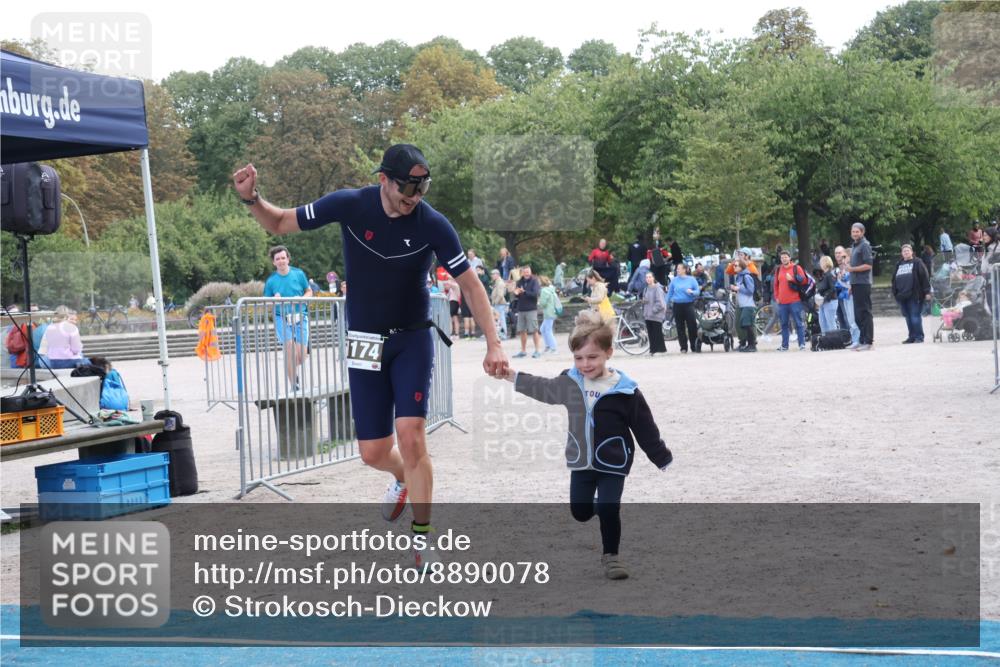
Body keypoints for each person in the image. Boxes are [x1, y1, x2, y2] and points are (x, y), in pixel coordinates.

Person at [233, 144, 507, 570]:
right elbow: (281, 222)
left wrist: (494, 343)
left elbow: (471, 285)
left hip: (411, 338)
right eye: (406, 187)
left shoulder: (433, 223)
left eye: (422, 187)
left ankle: (422, 538)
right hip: (364, 339)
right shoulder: (350, 204)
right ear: (384, 179)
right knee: (373, 452)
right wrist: (252, 199)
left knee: (412, 434)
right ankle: (400, 478)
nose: (414, 196)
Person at [499, 310, 672, 579]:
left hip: (614, 460)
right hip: (581, 460)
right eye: (578, 358)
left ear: (609, 353)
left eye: (592, 357)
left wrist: (661, 456)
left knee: (608, 507)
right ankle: (599, 507)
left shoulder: (625, 390)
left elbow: (644, 427)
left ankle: (611, 557)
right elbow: (543, 387)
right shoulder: (570, 382)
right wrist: (513, 376)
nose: (585, 364)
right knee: (580, 511)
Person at [263, 245, 313, 386]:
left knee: (301, 357)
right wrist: (274, 299)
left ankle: (290, 365)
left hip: (300, 316)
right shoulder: (271, 280)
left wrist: (303, 298)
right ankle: (294, 385)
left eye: (283, 258)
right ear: (274, 262)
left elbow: (309, 291)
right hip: (281, 318)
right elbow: (266, 302)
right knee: (289, 347)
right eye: (277, 259)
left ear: (288, 259)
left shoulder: (298, 274)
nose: (281, 261)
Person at [891, 244, 931, 344]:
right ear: (902, 253)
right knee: (908, 317)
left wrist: (927, 291)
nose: (906, 252)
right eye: (904, 251)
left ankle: (919, 337)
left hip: (914, 295)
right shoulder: (899, 264)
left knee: (915, 316)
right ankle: (912, 337)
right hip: (901, 295)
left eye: (908, 251)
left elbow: (924, 277)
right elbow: (894, 279)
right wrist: (895, 292)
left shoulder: (917, 262)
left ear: (912, 252)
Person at [771, 250, 808, 351]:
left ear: (790, 258)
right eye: (782, 257)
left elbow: (804, 280)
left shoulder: (796, 268)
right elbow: (775, 285)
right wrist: (777, 297)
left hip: (795, 300)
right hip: (782, 302)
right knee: (784, 324)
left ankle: (802, 344)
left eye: (786, 257)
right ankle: (784, 345)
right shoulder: (778, 270)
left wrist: (792, 278)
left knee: (798, 322)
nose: (784, 259)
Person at [846, 223, 875, 351]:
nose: (855, 234)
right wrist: (851, 285)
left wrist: (852, 269)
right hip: (856, 284)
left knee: (865, 313)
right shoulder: (854, 245)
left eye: (857, 231)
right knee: (858, 315)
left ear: (862, 232)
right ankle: (862, 340)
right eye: (853, 231)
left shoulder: (865, 245)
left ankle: (868, 342)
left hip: (863, 283)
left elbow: (869, 265)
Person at [665, 263, 699, 353]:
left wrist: (692, 292)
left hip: (688, 305)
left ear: (684, 270)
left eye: (679, 268)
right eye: (677, 268)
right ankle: (683, 347)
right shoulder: (674, 281)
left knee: (692, 326)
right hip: (677, 305)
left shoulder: (691, 279)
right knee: (680, 327)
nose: (677, 270)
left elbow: (697, 291)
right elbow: (669, 293)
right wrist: (665, 304)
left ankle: (694, 346)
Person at [513, 265, 542, 359]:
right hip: (521, 309)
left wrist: (524, 292)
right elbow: (517, 295)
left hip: (531, 309)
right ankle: (523, 351)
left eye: (528, 271)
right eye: (525, 272)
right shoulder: (519, 282)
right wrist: (516, 293)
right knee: (522, 330)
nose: (527, 273)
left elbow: (535, 294)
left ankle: (537, 350)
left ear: (530, 272)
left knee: (534, 330)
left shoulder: (534, 281)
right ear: (522, 272)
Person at [834, 246, 861, 346]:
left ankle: (857, 339)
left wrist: (847, 284)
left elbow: (853, 282)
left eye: (845, 257)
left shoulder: (853, 268)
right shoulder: (844, 269)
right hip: (845, 296)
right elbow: (842, 284)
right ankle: (854, 340)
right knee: (849, 319)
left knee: (853, 319)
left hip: (852, 296)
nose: (843, 259)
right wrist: (840, 279)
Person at [729, 258, 758, 352]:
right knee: (742, 324)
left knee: (747, 324)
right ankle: (748, 344)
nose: (734, 267)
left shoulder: (746, 276)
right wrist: (734, 289)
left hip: (748, 304)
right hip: (742, 304)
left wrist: (738, 288)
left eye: (736, 265)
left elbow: (750, 291)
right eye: (734, 265)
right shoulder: (739, 276)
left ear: (741, 266)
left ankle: (752, 345)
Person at [642, 271, 667, 355]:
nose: (648, 279)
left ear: (653, 278)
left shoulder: (658, 288)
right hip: (648, 315)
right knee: (650, 333)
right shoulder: (645, 289)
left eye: (650, 277)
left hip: (656, 315)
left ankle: (661, 350)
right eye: (647, 277)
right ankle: (652, 350)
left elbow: (660, 302)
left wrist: (654, 310)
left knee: (657, 333)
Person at [814, 256, 840, 334]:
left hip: (830, 301)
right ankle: (826, 341)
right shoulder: (823, 275)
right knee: (822, 323)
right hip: (822, 302)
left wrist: (824, 297)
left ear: (825, 263)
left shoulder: (830, 274)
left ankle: (834, 341)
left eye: (821, 262)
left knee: (830, 323)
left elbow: (833, 288)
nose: (819, 264)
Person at [538, 276, 560, 353]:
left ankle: (553, 347)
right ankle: (548, 346)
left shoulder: (544, 291)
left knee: (547, 330)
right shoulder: (551, 289)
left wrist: (539, 302)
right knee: (542, 329)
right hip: (552, 311)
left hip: (548, 312)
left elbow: (543, 303)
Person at [489, 269, 510, 340]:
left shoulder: (500, 283)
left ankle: (503, 334)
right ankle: (501, 334)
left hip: (499, 304)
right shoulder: (497, 282)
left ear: (497, 274)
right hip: (498, 304)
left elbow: (500, 295)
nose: (491, 276)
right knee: (499, 320)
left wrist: (495, 302)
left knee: (501, 319)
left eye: (493, 274)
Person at [442, 272, 461, 337]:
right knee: (454, 318)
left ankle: (453, 333)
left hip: (454, 301)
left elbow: (446, 283)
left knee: (452, 318)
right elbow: (445, 285)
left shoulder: (455, 285)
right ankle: (454, 333)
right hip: (452, 302)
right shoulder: (453, 285)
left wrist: (446, 276)